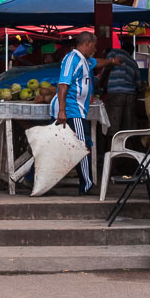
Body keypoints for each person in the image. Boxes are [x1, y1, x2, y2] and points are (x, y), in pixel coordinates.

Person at [49, 31, 111, 195]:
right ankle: (87, 185)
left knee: (54, 146)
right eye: (94, 46)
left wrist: (112, 61)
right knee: (82, 146)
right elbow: (63, 85)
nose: (95, 49)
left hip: (74, 110)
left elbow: (97, 62)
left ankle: (30, 177)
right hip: (71, 110)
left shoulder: (84, 60)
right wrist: (62, 111)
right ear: (86, 44)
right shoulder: (72, 59)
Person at [101, 43, 145, 140]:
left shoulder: (114, 53)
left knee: (113, 124)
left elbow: (106, 68)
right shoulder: (134, 63)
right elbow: (138, 84)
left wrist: (99, 84)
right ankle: (128, 150)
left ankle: (111, 151)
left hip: (116, 93)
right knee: (128, 125)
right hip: (130, 95)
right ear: (132, 52)